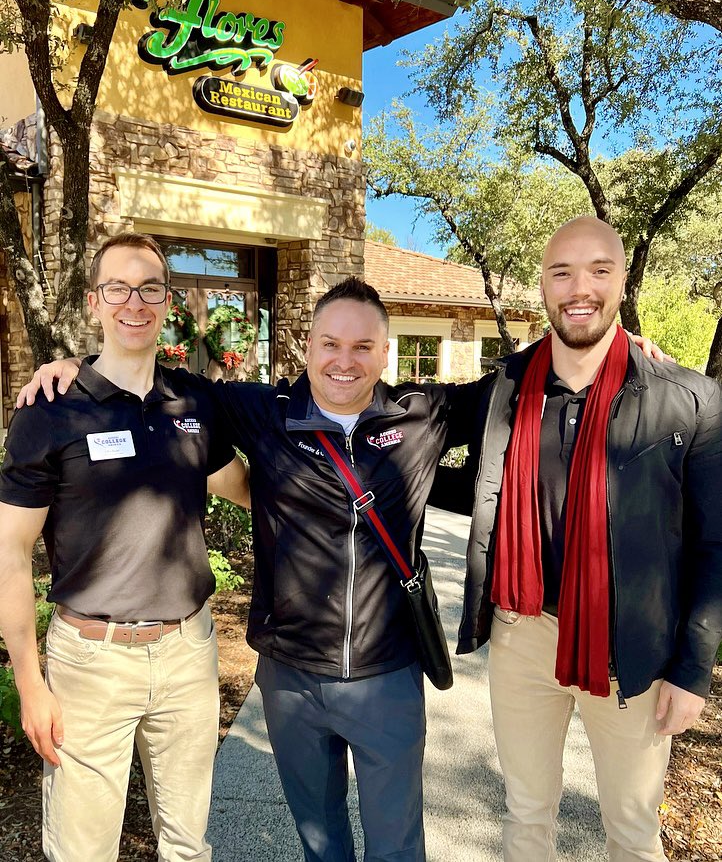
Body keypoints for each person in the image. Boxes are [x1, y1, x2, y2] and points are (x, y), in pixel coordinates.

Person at [16, 250, 671, 862]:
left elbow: (518, 376)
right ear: (307, 347)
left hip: (386, 676)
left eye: (363, 346)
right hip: (291, 678)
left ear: (385, 352)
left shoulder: (426, 414)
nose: (344, 361)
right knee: (321, 842)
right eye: (329, 344)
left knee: (394, 847)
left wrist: (606, 347)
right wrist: (72, 368)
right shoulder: (260, 410)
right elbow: (139, 370)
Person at [430, 215, 722, 862]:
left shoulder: (687, 401)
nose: (579, 287)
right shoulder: (507, 388)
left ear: (622, 281)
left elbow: (714, 545)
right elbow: (431, 434)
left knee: (632, 830)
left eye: (598, 270)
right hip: (523, 633)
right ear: (541, 285)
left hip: (632, 644)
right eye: (562, 271)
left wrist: (694, 668)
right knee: (526, 814)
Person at [0, 232, 249, 862]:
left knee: (188, 844)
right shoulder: (52, 408)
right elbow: (9, 550)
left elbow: (240, 488)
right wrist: (30, 682)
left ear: (168, 301)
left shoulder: (191, 402)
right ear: (93, 302)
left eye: (149, 288)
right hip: (91, 661)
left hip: (188, 653)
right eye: (117, 288)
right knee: (82, 851)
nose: (133, 302)